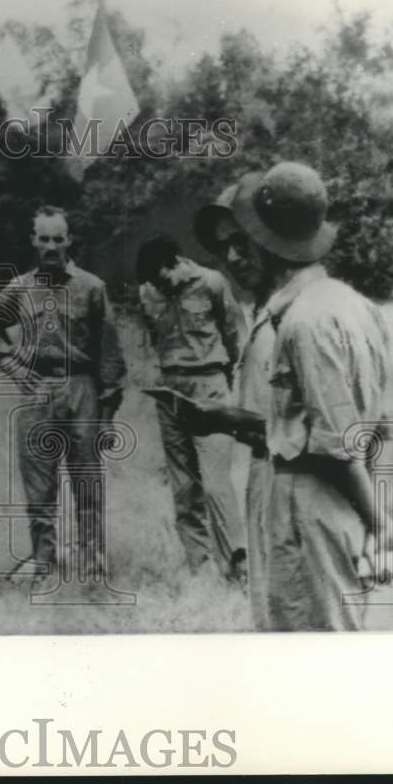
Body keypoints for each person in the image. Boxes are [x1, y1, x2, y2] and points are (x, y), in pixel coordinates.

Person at [192, 161, 393, 631]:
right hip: (333, 506)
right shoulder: (351, 304)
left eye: (243, 239)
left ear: (264, 239)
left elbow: (337, 445)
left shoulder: (303, 321)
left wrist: (383, 527)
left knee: (304, 644)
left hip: (305, 505)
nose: (232, 254)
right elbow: (385, 425)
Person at [0, 206, 127, 585]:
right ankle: (44, 565)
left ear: (69, 241)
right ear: (34, 241)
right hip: (38, 391)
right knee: (39, 486)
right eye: (44, 238)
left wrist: (107, 413)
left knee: (87, 482)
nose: (51, 246)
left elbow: (110, 353)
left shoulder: (91, 287)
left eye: (58, 238)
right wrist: (14, 368)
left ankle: (93, 567)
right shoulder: (19, 288)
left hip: (82, 388)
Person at [136, 234, 248, 580]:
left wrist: (224, 379)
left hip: (209, 385)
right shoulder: (147, 291)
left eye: (162, 277)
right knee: (184, 486)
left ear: (176, 263)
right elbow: (153, 340)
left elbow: (236, 336)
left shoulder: (212, 283)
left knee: (216, 483)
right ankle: (199, 566)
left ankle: (237, 565)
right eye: (153, 282)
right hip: (171, 390)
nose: (159, 285)